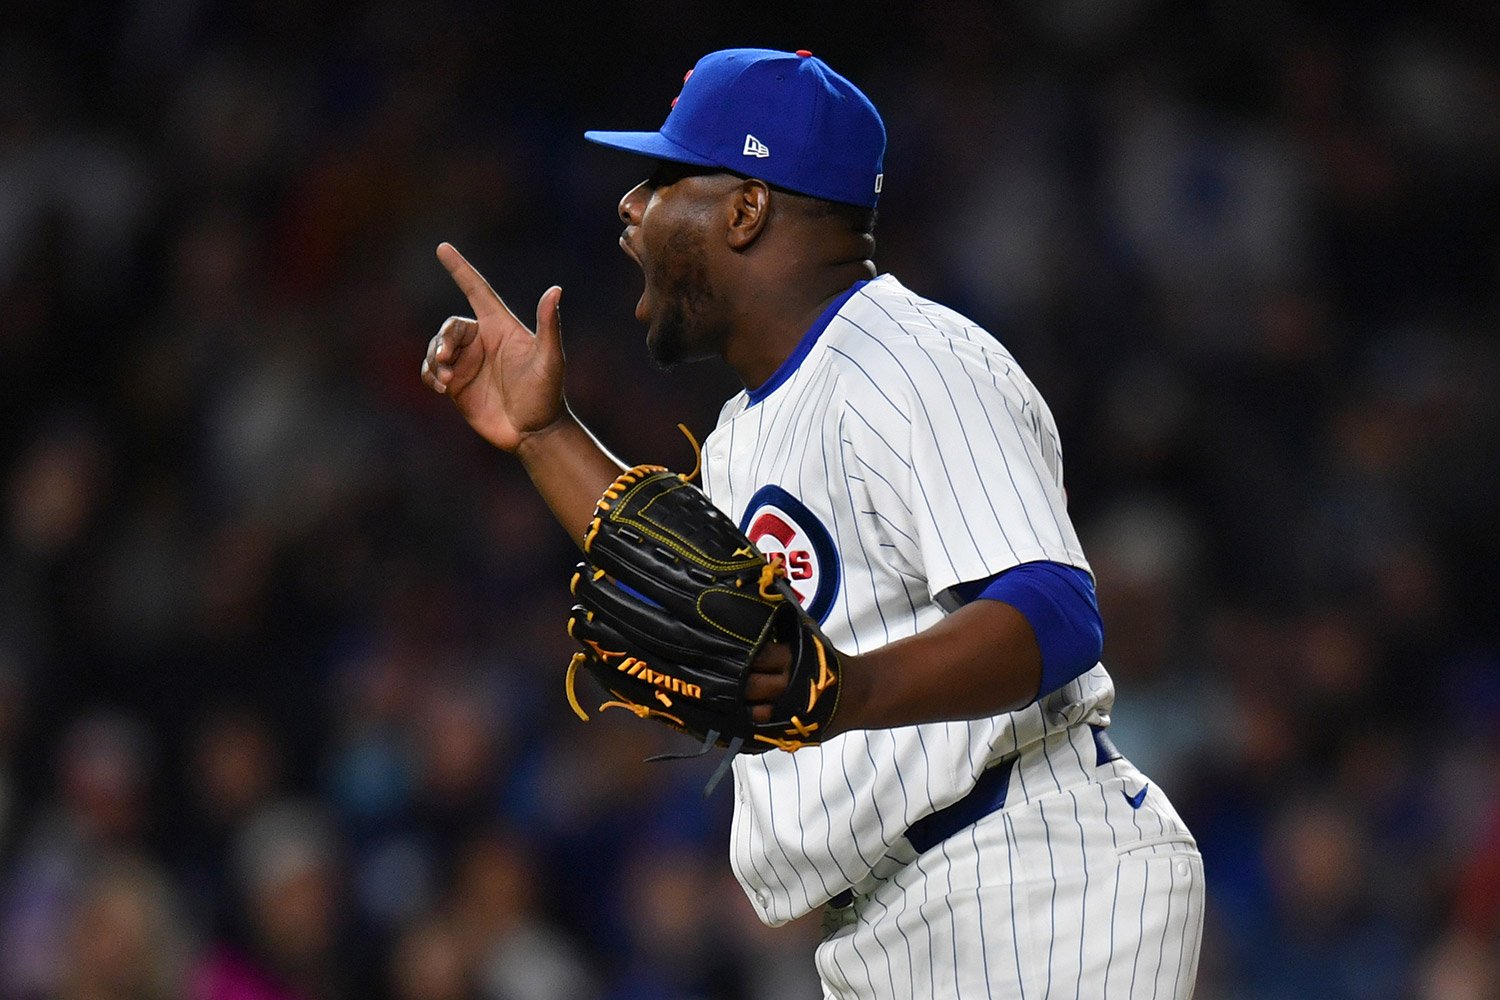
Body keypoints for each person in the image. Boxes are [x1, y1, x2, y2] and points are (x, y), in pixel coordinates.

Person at [421, 47, 1204, 999]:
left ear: (747, 208)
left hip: (1031, 882)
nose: (630, 206)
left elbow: (1054, 611)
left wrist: (844, 691)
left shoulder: (914, 359)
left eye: (664, 178)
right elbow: (682, 578)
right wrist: (544, 433)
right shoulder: (747, 431)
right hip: (892, 924)